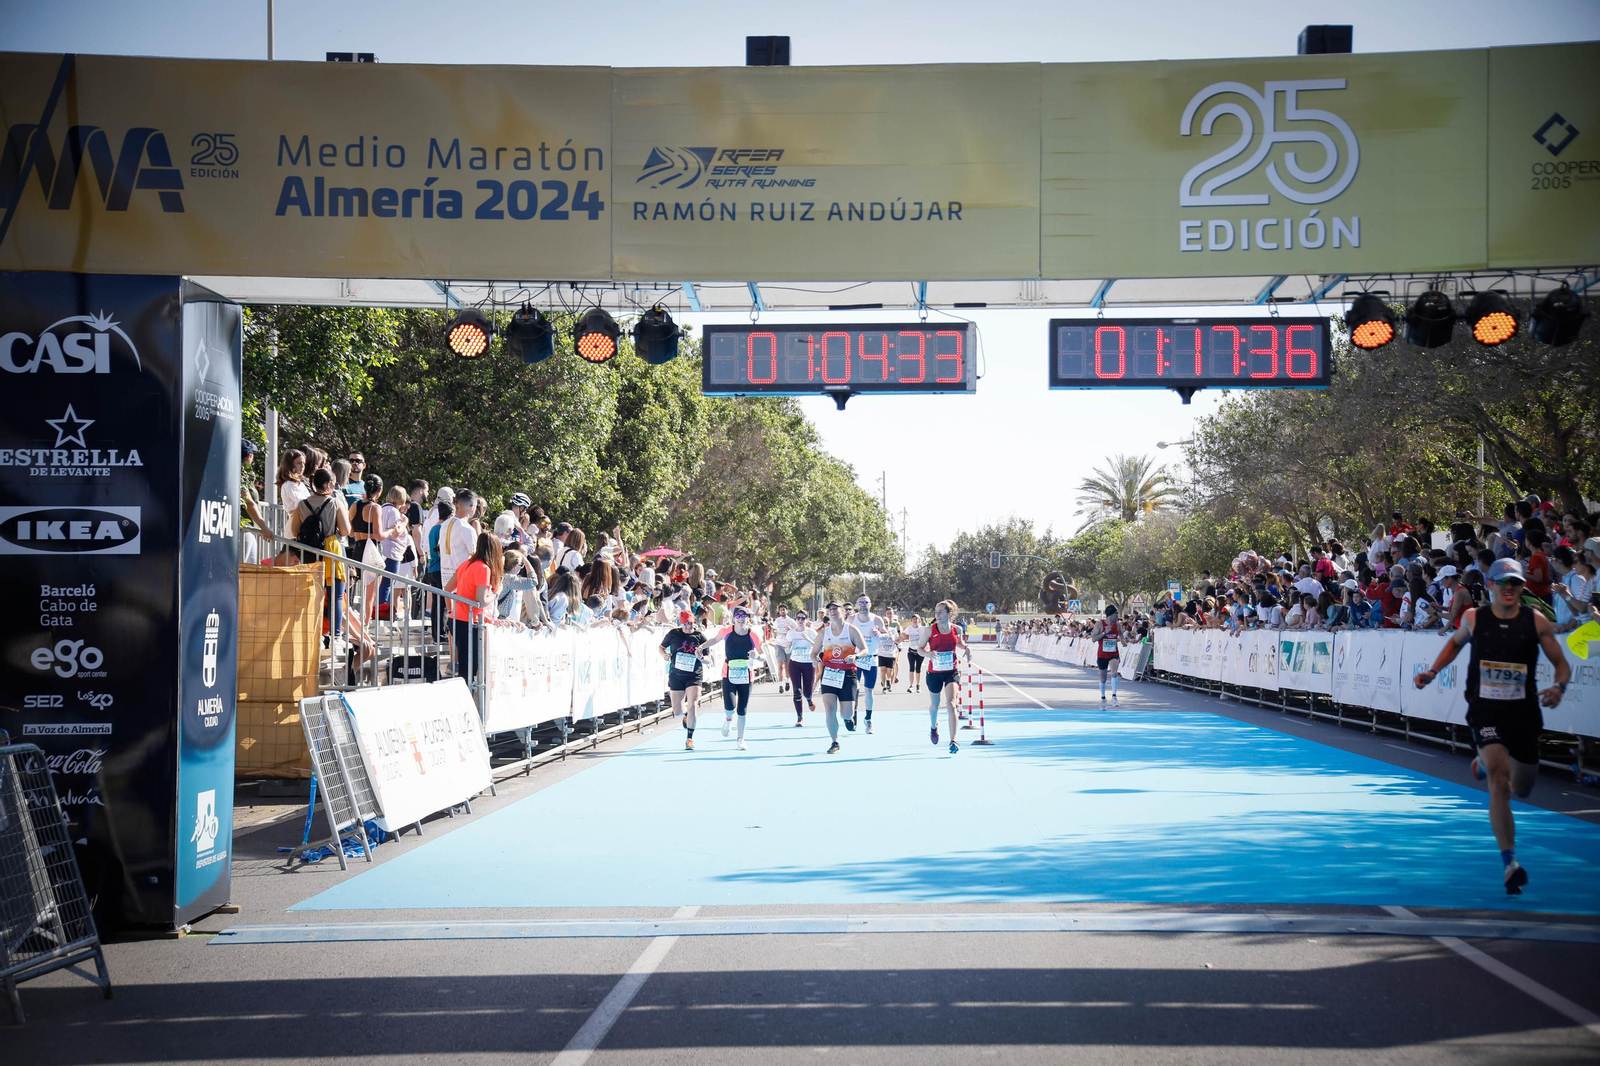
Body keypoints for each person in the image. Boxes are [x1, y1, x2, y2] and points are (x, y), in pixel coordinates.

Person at [1413, 558, 1571, 895]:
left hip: (1524, 712)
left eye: (1515, 583)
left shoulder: (1536, 621)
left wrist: (1559, 688)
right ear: (1490, 586)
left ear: (1522, 587)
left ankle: (1482, 761)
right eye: (1503, 583)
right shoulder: (1474, 618)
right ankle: (1510, 862)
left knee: (1523, 788)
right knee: (1500, 783)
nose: (1510, 589)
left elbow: (1561, 664)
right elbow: (1454, 644)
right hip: (1485, 711)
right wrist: (1433, 671)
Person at [702, 607, 764, 750]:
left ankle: (740, 739)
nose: (740, 618)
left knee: (742, 709)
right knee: (730, 706)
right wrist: (702, 646)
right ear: (734, 617)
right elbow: (714, 640)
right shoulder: (727, 631)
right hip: (728, 674)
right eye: (738, 615)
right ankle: (728, 719)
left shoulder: (753, 635)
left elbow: (763, 656)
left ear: (747, 618)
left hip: (746, 675)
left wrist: (757, 656)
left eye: (743, 615)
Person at [445, 531, 501, 685]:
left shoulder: (466, 564)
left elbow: (447, 589)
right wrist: (496, 593)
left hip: (456, 619)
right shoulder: (483, 568)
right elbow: (481, 601)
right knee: (469, 671)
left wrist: (452, 610)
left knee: (465, 669)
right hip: (470, 623)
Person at [916, 600, 971, 752]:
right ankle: (934, 727)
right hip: (934, 673)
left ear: (949, 614)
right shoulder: (929, 629)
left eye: (940, 612)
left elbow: (959, 643)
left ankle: (953, 740)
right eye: (936, 612)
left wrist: (966, 648)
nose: (937, 615)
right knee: (934, 706)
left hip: (951, 672)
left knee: (951, 703)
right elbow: (919, 649)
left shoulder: (957, 629)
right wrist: (927, 654)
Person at [815, 602, 867, 754]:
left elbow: (864, 649)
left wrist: (855, 655)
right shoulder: (824, 633)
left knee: (846, 713)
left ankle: (850, 716)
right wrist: (814, 659)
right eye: (830, 609)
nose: (832, 611)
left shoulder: (851, 630)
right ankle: (835, 742)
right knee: (830, 709)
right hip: (829, 674)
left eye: (835, 609)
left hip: (847, 674)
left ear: (843, 611)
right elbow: (814, 652)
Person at [660, 610, 711, 750]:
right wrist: (664, 654)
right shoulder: (673, 634)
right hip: (676, 675)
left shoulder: (700, 636)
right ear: (681, 623)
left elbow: (708, 659)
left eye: (692, 623)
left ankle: (689, 739)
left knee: (693, 705)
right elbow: (661, 647)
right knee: (678, 711)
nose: (690, 627)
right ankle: (686, 716)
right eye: (687, 624)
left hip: (694, 675)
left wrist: (701, 658)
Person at [849, 597, 888, 733]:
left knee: (869, 690)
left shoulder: (876, 619)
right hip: (856, 659)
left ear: (870, 604)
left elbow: (886, 635)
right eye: (860, 602)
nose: (863, 605)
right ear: (857, 605)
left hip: (871, 659)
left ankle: (868, 718)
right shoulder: (851, 619)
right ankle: (853, 716)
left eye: (866, 602)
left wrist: (879, 634)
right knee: (854, 688)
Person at [783, 610, 817, 726]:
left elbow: (818, 647)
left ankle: (809, 698)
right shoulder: (791, 633)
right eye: (798, 618)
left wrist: (808, 639)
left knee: (807, 691)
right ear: (796, 620)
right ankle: (799, 717)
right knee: (797, 691)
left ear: (807, 620)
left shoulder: (811, 632)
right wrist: (789, 645)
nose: (800, 620)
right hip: (795, 663)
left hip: (808, 663)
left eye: (803, 618)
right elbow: (787, 650)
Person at [1089, 604, 1122, 704]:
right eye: (1116, 614)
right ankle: (1103, 697)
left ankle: (1114, 696)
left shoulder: (1117, 624)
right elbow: (1093, 639)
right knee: (1103, 678)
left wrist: (1123, 641)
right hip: (1102, 654)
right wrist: (1104, 633)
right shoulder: (1100, 624)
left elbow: (1120, 633)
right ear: (1111, 615)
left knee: (1114, 672)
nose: (1117, 616)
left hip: (1113, 653)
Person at [770, 604, 796, 693]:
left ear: (787, 611)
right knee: (780, 665)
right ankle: (780, 685)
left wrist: (790, 630)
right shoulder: (777, 621)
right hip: (779, 644)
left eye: (784, 609)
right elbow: (773, 629)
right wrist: (774, 634)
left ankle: (787, 682)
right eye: (781, 610)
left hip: (787, 645)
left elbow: (797, 631)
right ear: (779, 611)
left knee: (787, 666)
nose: (782, 611)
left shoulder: (791, 621)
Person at [878, 607, 903, 692]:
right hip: (881, 653)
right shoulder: (879, 631)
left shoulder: (893, 630)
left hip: (891, 654)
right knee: (882, 670)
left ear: (889, 623)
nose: (885, 624)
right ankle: (884, 686)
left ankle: (889, 680)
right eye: (884, 622)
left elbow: (897, 640)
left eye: (887, 622)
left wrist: (900, 639)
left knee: (889, 671)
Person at [903, 613, 926, 693]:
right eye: (913, 619)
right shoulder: (909, 628)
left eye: (916, 619)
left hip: (920, 651)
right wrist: (902, 637)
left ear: (919, 620)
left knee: (918, 669)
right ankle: (911, 686)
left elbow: (928, 635)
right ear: (911, 620)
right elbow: (903, 634)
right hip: (911, 651)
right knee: (911, 668)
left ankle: (918, 685)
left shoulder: (922, 628)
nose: (915, 620)